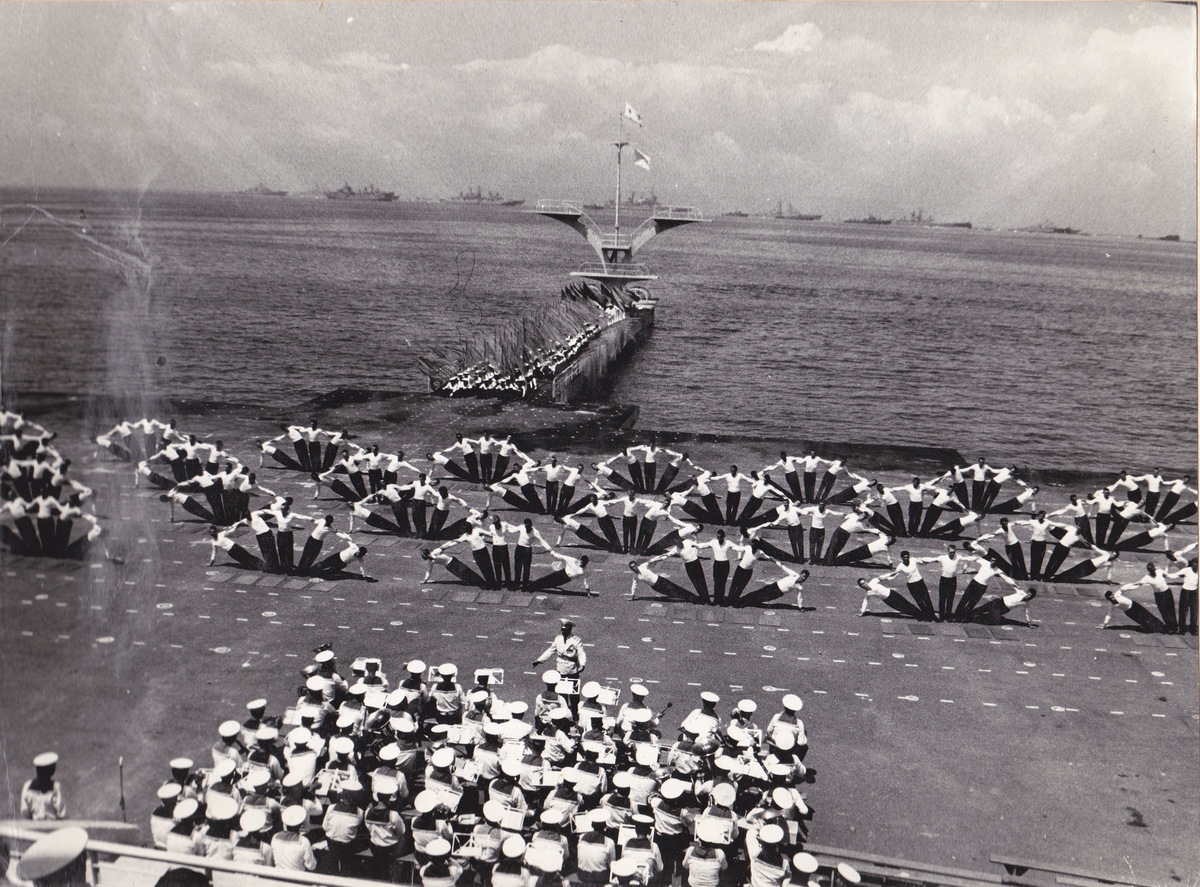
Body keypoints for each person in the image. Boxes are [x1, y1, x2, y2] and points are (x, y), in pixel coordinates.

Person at [272, 804, 318, 872]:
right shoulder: (304, 841)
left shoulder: (275, 837)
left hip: (279, 875)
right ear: (300, 825)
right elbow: (311, 866)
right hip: (297, 878)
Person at [21, 752, 65, 820]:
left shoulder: (27, 785)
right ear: (52, 770)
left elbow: (25, 810)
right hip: (53, 825)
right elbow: (61, 811)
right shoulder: (56, 786)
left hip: (34, 825)